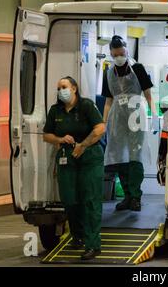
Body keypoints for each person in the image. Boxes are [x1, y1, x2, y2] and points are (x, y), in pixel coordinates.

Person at [43, 76, 105, 260]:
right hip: (67, 158)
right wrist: (60, 139)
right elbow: (46, 135)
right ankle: (77, 236)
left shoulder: (86, 106)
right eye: (59, 87)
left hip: (89, 157)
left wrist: (83, 145)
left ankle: (93, 244)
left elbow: (100, 128)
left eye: (64, 86)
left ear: (74, 88)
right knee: (70, 199)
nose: (61, 90)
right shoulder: (56, 111)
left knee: (90, 201)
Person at [102, 35, 159, 212]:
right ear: (111, 53)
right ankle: (127, 196)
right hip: (117, 116)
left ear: (126, 50)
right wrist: (103, 123)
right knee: (120, 155)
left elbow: (148, 94)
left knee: (135, 153)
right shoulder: (109, 72)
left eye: (121, 53)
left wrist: (155, 114)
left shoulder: (138, 68)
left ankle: (136, 196)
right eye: (115, 54)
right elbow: (108, 101)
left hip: (136, 112)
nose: (119, 56)